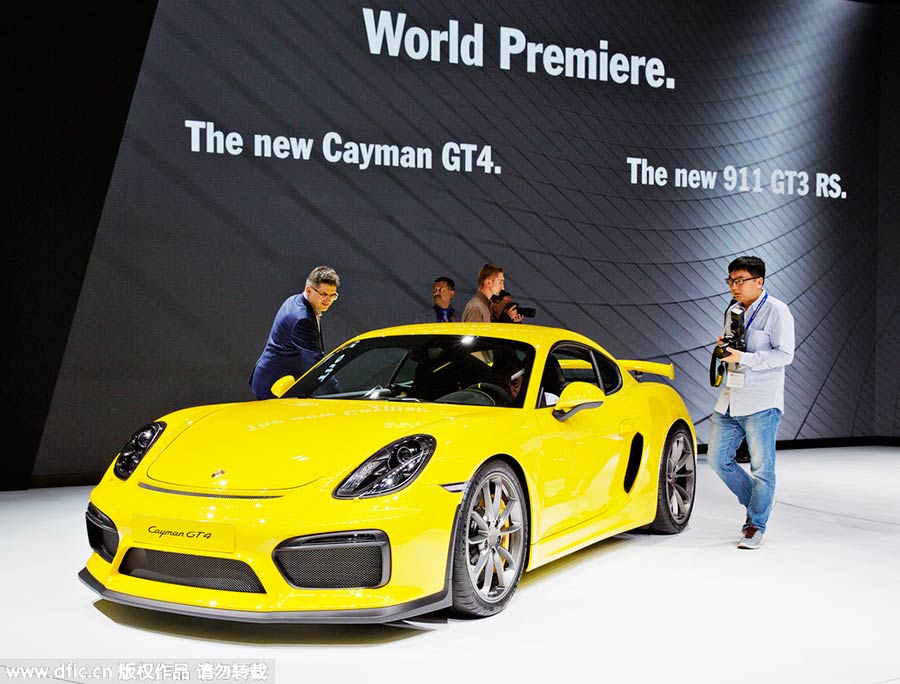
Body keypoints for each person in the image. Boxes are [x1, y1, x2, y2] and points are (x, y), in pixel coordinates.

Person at [706, 256, 794, 549]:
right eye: (730, 280)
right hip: (730, 398)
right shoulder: (733, 310)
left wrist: (744, 357)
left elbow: (785, 355)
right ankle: (761, 501)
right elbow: (735, 346)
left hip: (761, 400)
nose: (734, 286)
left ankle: (755, 525)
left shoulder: (777, 311)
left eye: (740, 280)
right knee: (717, 460)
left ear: (759, 281)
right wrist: (725, 348)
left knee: (762, 469)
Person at [249, 266, 340, 400]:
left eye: (333, 295)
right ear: (309, 290)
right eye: (324, 294)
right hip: (277, 386)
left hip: (273, 378)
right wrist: (338, 395)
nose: (328, 300)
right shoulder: (302, 319)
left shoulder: (295, 300)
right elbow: (316, 364)